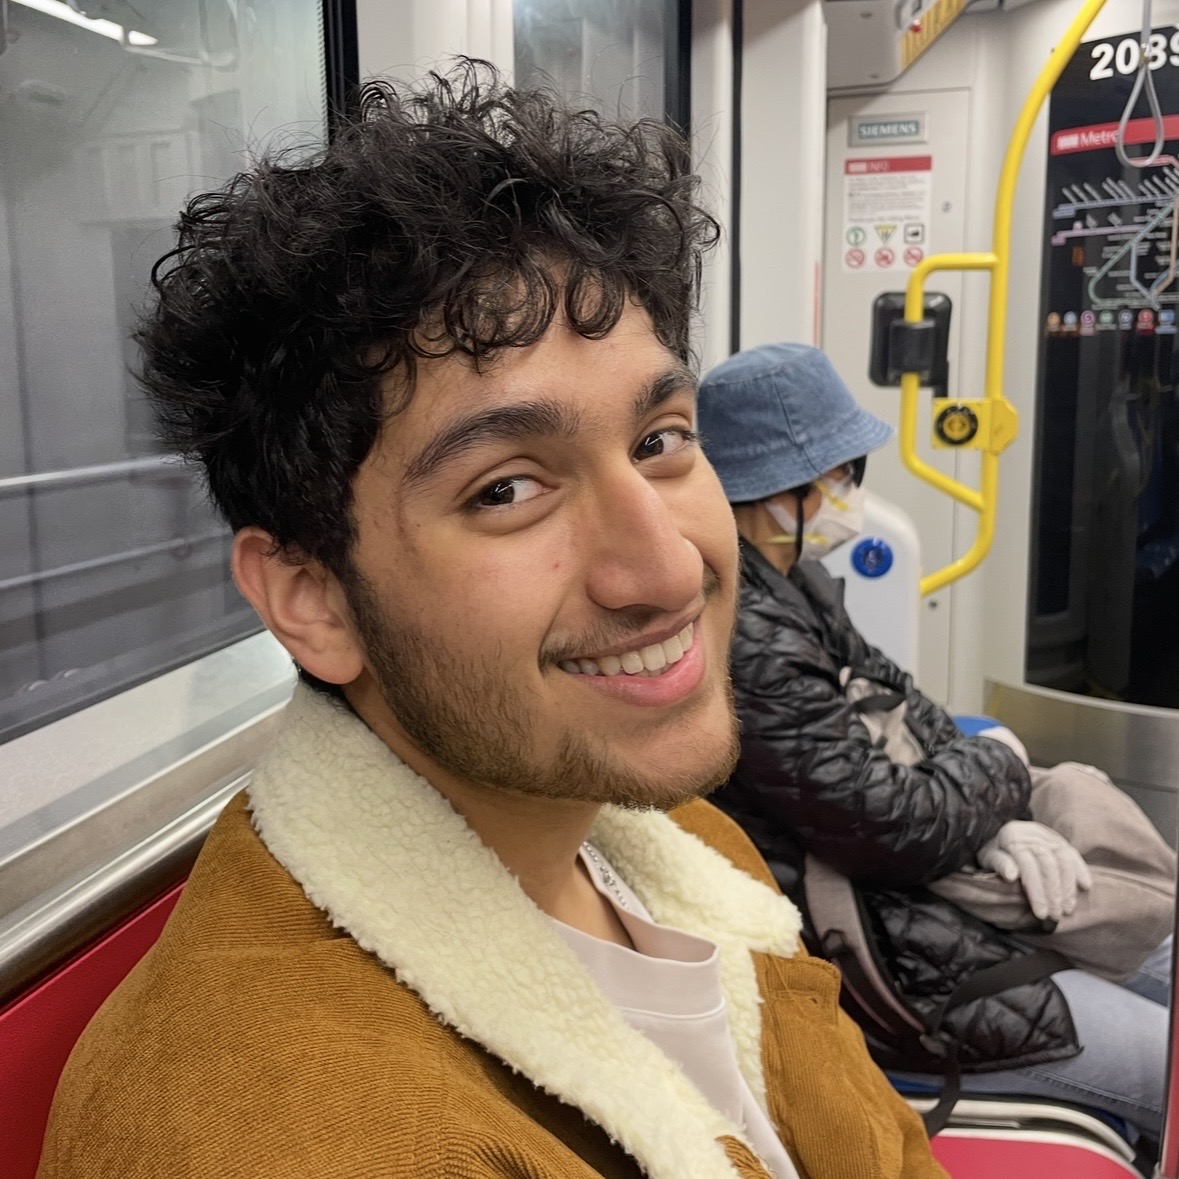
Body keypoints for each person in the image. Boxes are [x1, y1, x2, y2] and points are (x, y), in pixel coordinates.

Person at [36, 67, 947, 1179]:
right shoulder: (269, 1130)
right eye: (508, 489)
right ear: (313, 599)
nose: (664, 567)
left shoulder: (679, 846)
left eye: (660, 440)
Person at [696, 340, 1173, 1139]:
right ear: (783, 492)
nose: (851, 494)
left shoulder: (795, 584)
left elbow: (908, 707)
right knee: (1164, 1061)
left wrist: (990, 817)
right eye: (842, 474)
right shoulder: (748, 636)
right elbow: (893, 825)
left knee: (1161, 951)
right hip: (889, 957)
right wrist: (1003, 769)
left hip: (925, 903)